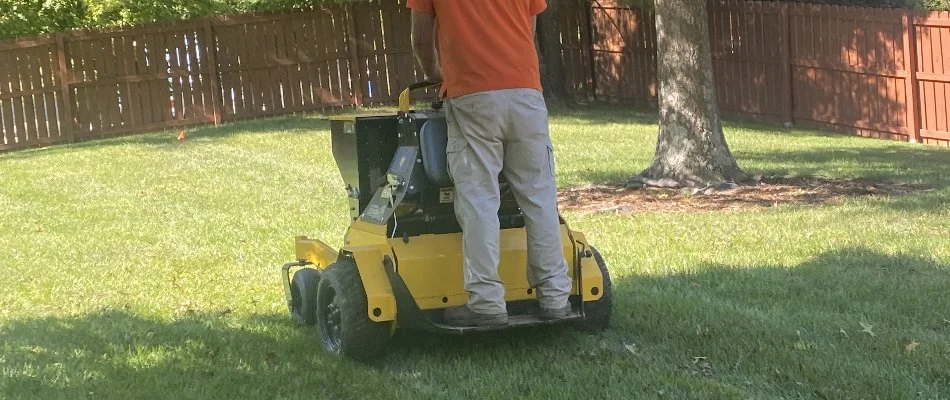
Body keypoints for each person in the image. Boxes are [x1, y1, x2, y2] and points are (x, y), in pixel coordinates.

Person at [408, 0, 573, 327]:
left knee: (479, 198)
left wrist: (436, 75)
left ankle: (485, 302)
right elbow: (529, 29)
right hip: (526, 91)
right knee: (539, 196)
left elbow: (422, 40)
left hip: (472, 93)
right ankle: (555, 297)